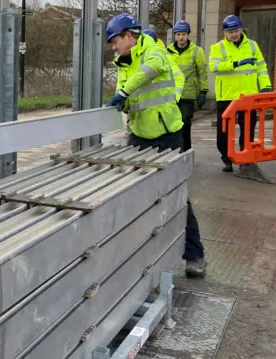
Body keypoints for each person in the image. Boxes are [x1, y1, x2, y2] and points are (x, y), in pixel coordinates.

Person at [105, 13, 206, 278]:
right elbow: (126, 95)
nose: (113, 47)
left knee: (175, 194)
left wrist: (123, 94)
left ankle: (194, 255)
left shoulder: (154, 51)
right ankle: (143, 256)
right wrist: (120, 103)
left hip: (166, 134)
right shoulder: (122, 63)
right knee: (136, 195)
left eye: (115, 40)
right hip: (139, 135)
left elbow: (147, 72)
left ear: (129, 35)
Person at [208, 15, 271, 172]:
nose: (234, 34)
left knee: (248, 129)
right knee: (224, 131)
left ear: (241, 29)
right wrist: (235, 64)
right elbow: (213, 66)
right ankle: (227, 158)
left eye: (236, 31)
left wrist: (265, 85)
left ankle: (245, 158)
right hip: (226, 95)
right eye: (230, 32)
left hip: (248, 95)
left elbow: (261, 67)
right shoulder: (218, 47)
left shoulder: (252, 45)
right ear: (225, 33)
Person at [167, 20, 209, 152]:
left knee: (185, 123)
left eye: (183, 34)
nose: (181, 37)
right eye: (178, 34)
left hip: (188, 93)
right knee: (172, 125)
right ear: (175, 35)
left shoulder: (197, 51)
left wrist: (203, 91)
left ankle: (185, 151)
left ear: (188, 35)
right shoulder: (168, 51)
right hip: (172, 94)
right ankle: (175, 151)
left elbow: (202, 72)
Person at [142, 28, 185, 103]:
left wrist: (175, 98)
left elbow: (179, 77)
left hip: (162, 102)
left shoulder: (164, 56)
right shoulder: (139, 56)